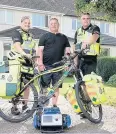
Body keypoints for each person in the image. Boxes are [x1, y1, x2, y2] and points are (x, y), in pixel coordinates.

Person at [36, 18, 70, 107]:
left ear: (58, 25)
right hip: (46, 66)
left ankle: (54, 105)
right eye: (51, 23)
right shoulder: (44, 36)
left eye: (55, 23)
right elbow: (39, 51)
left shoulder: (64, 37)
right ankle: (42, 106)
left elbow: (67, 51)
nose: (53, 25)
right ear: (49, 25)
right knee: (44, 87)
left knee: (56, 86)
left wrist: (66, 63)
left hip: (59, 67)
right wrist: (40, 63)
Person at [73, 12, 100, 118]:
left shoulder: (94, 28)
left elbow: (95, 37)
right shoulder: (78, 31)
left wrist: (86, 44)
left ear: (90, 20)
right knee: (81, 85)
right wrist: (75, 62)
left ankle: (94, 104)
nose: (85, 20)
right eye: (83, 18)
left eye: (88, 18)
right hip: (80, 60)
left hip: (91, 60)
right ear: (81, 20)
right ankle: (85, 109)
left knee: (89, 83)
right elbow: (75, 47)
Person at [11, 16, 36, 115]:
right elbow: (17, 46)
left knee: (27, 85)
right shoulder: (17, 32)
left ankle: (25, 106)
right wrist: (24, 54)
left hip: (29, 63)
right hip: (18, 61)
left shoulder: (31, 35)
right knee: (17, 84)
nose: (27, 24)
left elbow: (33, 49)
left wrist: (35, 60)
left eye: (29, 23)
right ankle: (14, 107)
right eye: (25, 22)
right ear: (21, 23)